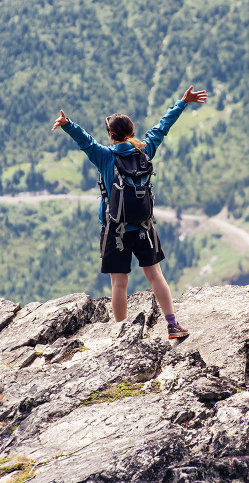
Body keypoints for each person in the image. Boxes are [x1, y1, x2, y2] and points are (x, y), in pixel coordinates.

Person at [51, 85, 208, 338]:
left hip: (115, 230)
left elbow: (86, 142)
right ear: (131, 132)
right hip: (145, 227)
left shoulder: (105, 157)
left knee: (119, 283)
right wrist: (182, 102)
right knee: (156, 276)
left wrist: (68, 124)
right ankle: (172, 325)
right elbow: (162, 127)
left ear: (111, 135)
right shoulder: (145, 151)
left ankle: (123, 336)